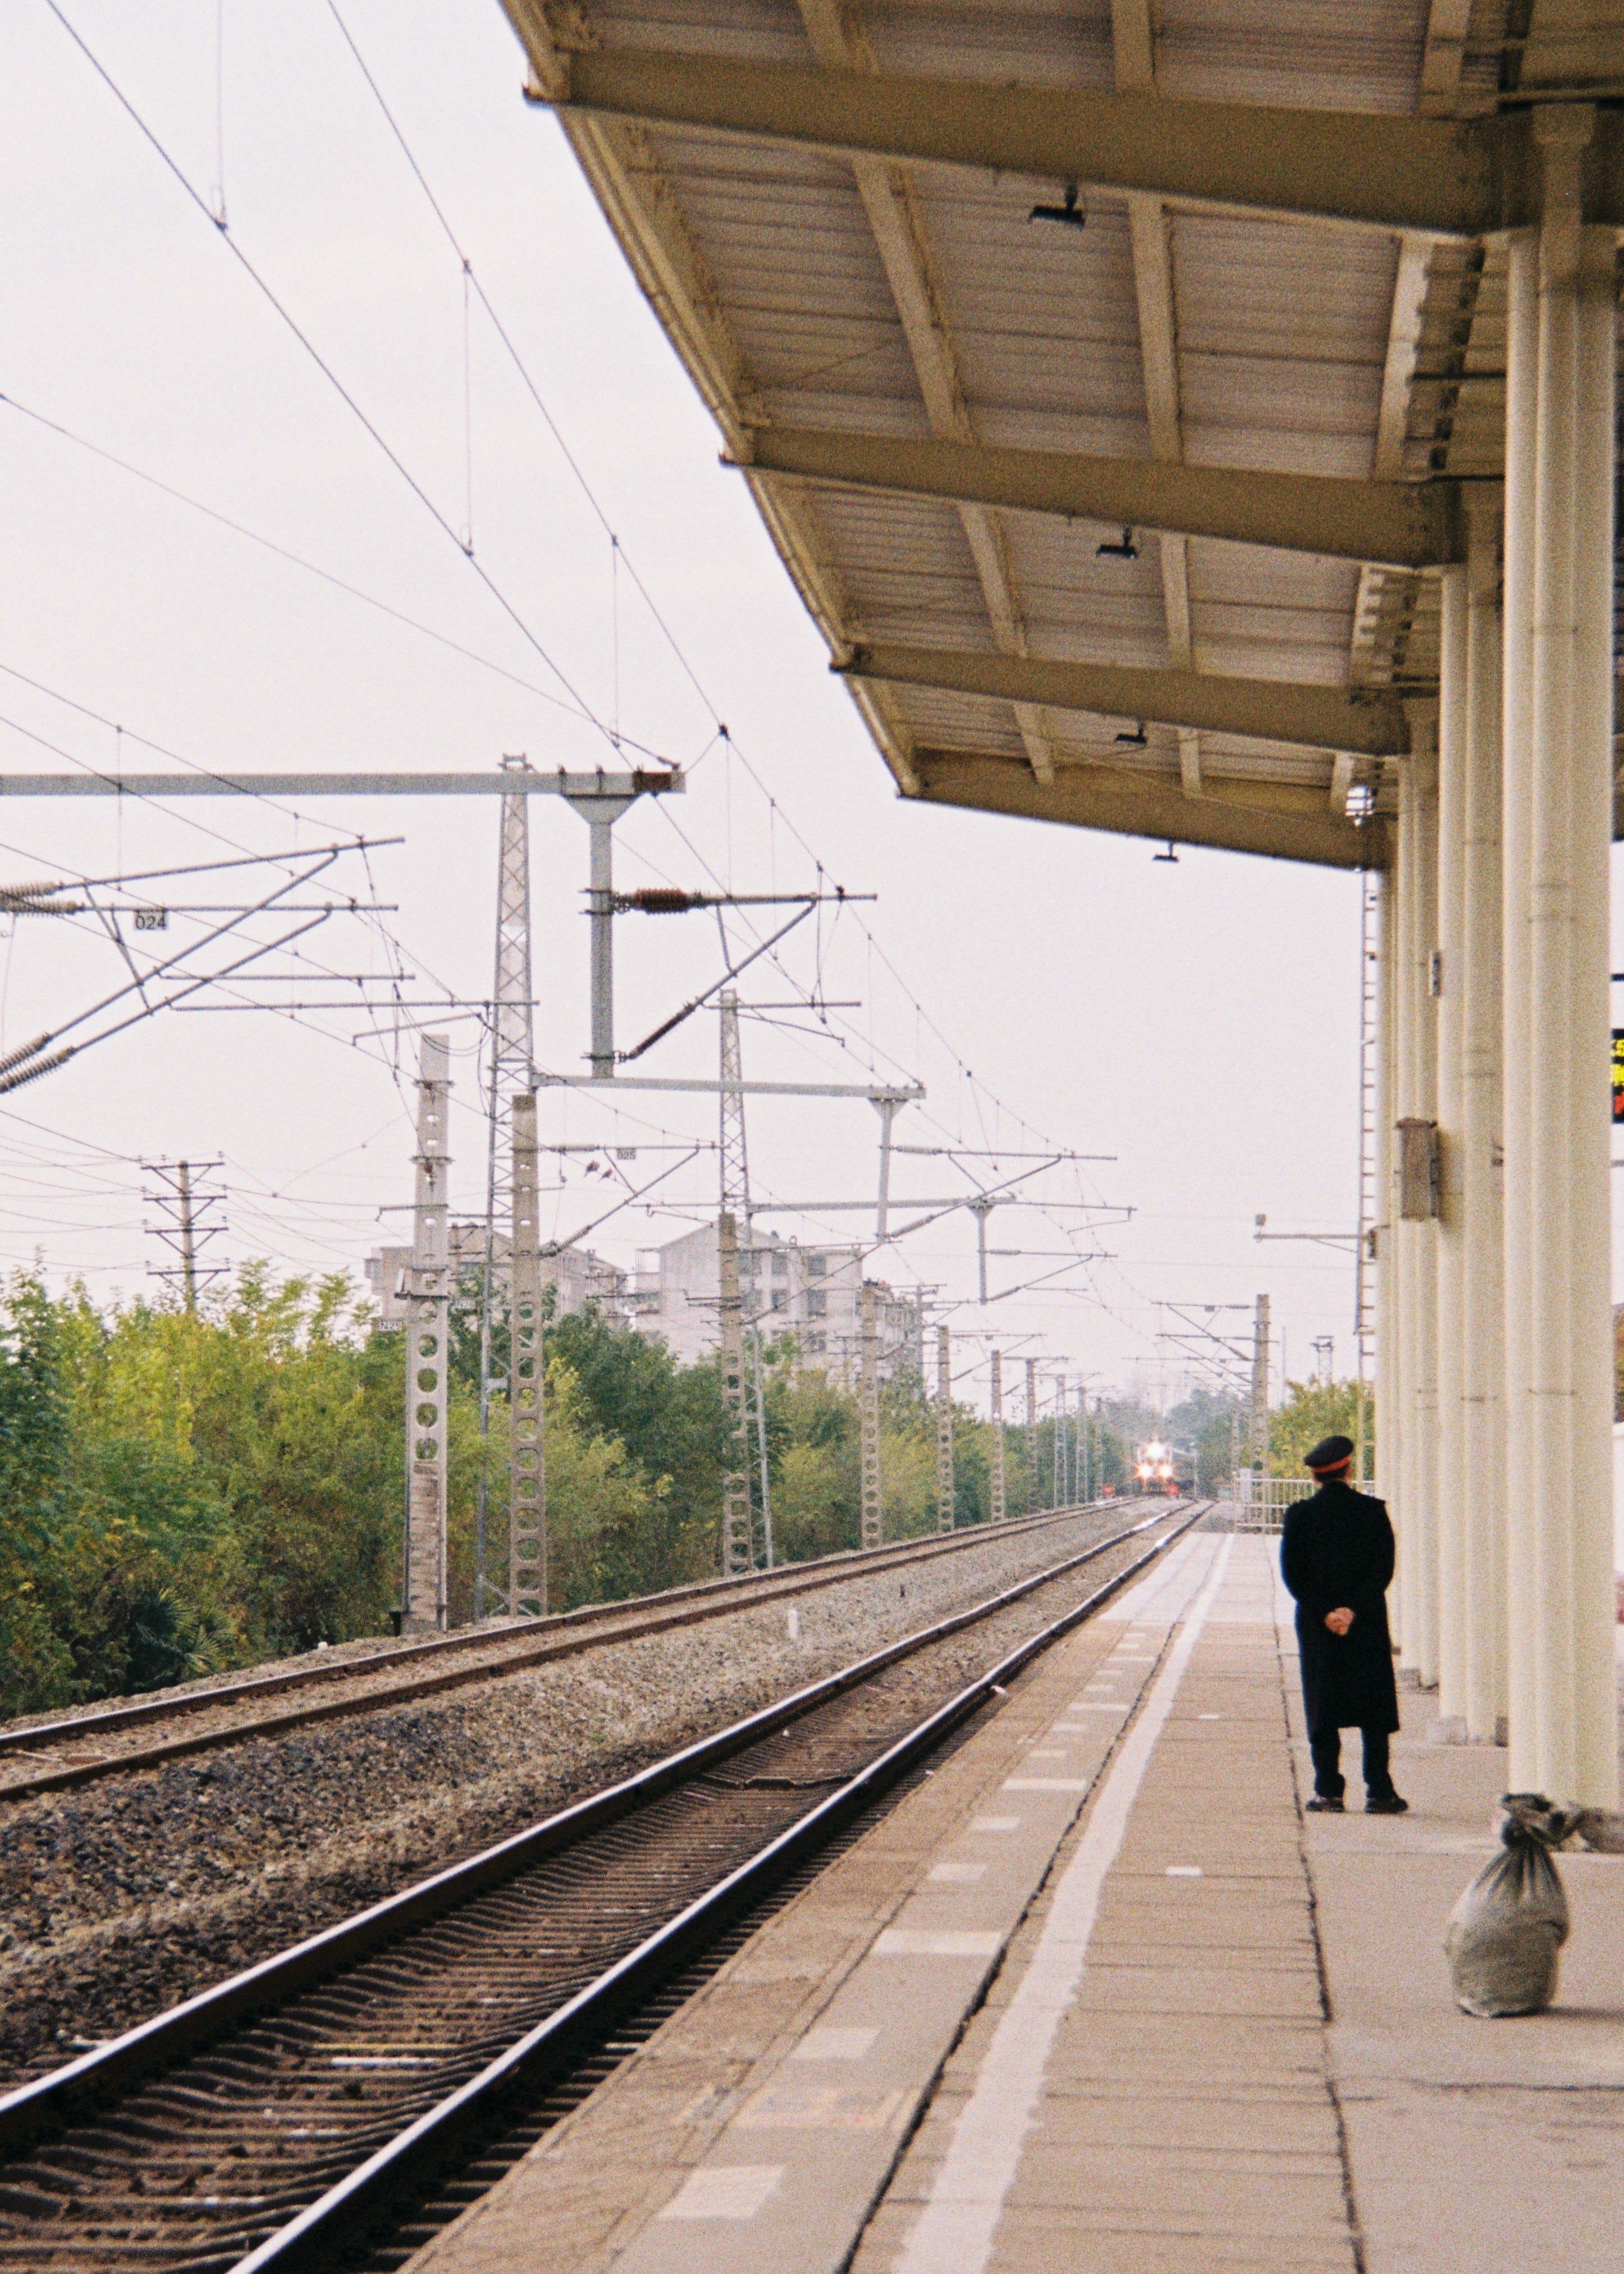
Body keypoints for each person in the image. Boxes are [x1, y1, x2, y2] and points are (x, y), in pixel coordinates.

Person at [1279, 1434, 1407, 1815]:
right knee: (1373, 1704)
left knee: (1323, 1703)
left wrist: (1325, 1612)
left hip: (1318, 1626)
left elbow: (1292, 1574)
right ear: (1349, 1469)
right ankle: (1380, 1791)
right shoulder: (1373, 1512)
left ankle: (1328, 1791)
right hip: (1365, 1622)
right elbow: (1382, 1570)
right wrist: (1352, 1610)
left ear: (1315, 1476)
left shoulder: (1300, 1516)